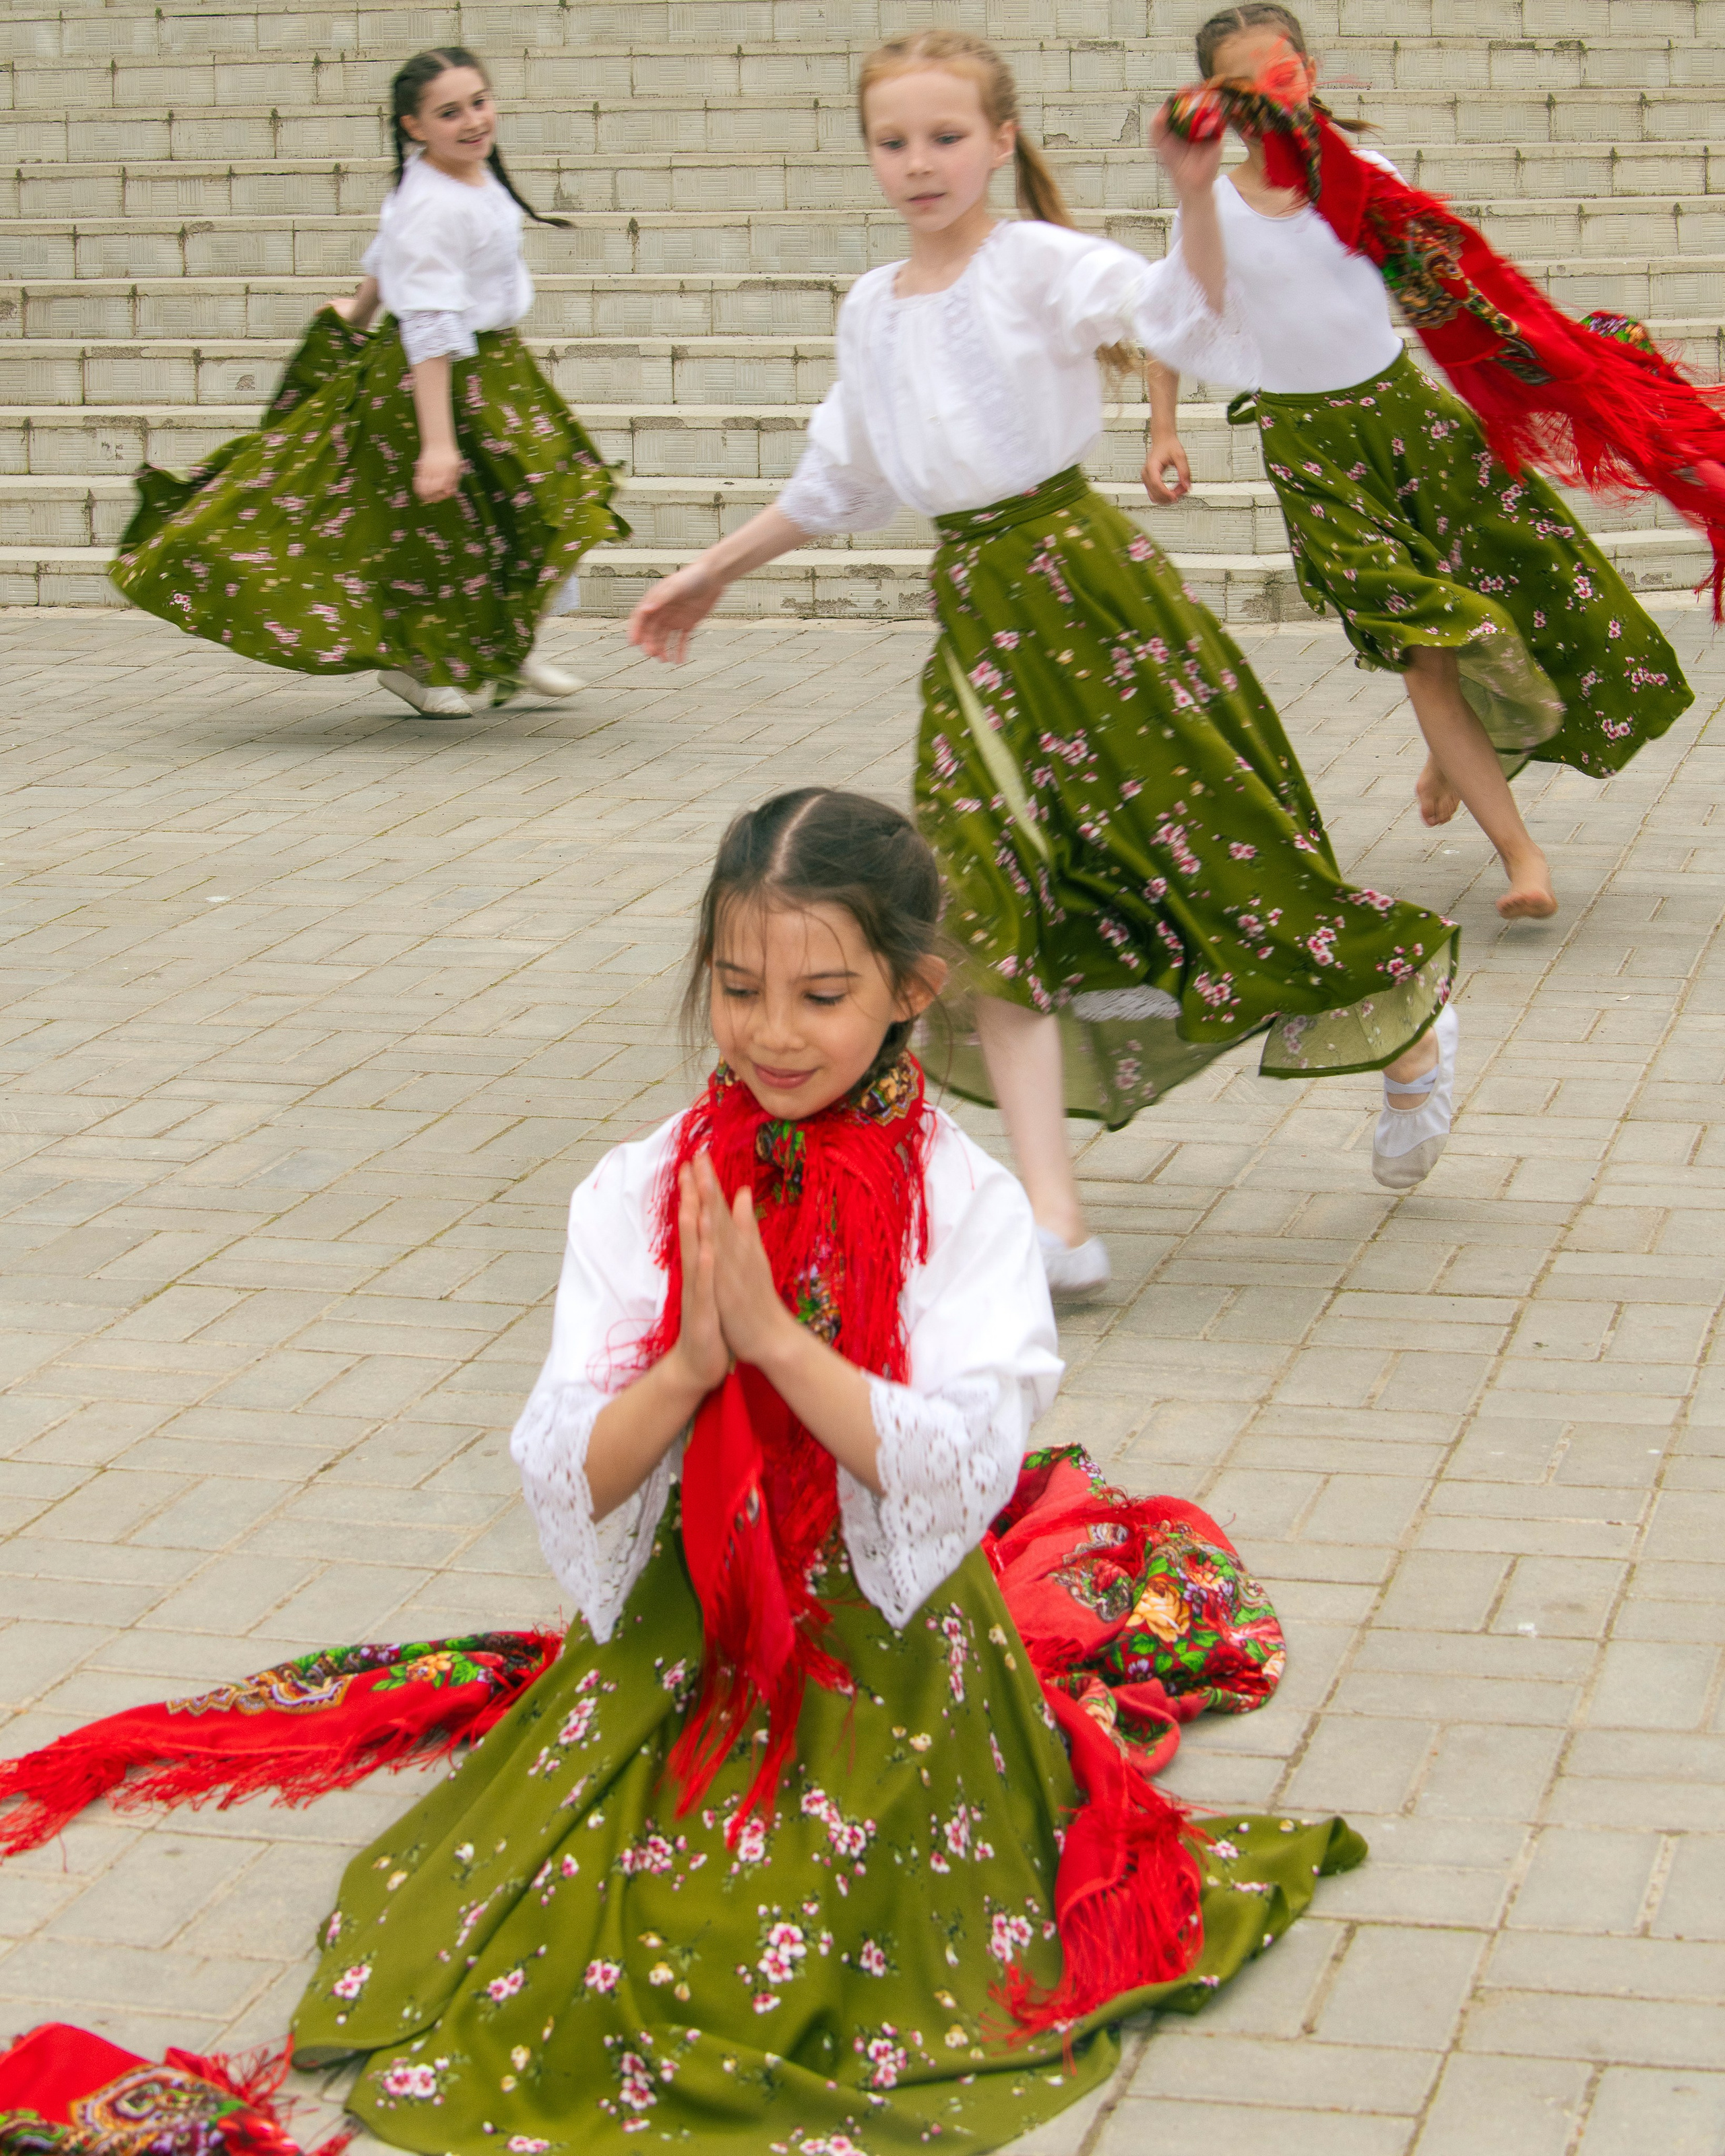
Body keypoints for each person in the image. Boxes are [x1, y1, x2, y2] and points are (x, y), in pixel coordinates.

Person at [279, 784, 1362, 2155]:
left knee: (773, 1946)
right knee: (574, 1945)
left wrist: (783, 1349)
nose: (773, 1034)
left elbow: (956, 1472)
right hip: (684, 1634)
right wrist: (688, 1366)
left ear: (913, 990)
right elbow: (577, 1471)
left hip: (887, 1657)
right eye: (738, 990)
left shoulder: (966, 1204)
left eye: (822, 994)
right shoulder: (642, 1186)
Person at [625, 30, 1466, 1290]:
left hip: (1093, 596)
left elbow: (1188, 321)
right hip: (979, 622)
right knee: (982, 903)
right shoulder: (869, 308)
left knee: (1222, 868)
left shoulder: (1037, 263)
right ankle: (1057, 1221)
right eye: (894, 141)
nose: (920, 163)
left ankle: (1407, 1023)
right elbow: (841, 478)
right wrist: (712, 570)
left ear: (1001, 141)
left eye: (946, 137)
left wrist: (1193, 192)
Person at [1146, 3, 1693, 921]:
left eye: (1281, 78)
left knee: (1533, 588)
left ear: (1309, 75)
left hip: (1413, 425)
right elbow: (1174, 315)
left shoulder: (1368, 178)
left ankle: (1456, 750)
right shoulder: (1211, 208)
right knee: (1428, 648)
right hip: (1313, 453)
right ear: (1215, 104)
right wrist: (1163, 429)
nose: (1267, 103)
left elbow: (1457, 290)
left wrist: (1551, 359)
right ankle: (1522, 856)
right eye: (1241, 91)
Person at [109, 46, 624, 720]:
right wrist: (438, 444)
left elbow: (387, 259)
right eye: (450, 113)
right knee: (433, 529)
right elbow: (430, 325)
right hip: (438, 380)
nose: (473, 121)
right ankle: (419, 666)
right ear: (415, 125)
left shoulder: (456, 179)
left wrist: (356, 313)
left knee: (537, 501)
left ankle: (501, 645)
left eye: (479, 102)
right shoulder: (432, 204)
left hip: (497, 372)